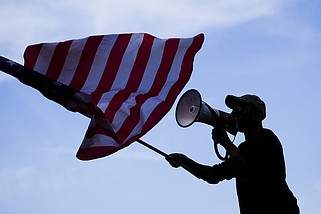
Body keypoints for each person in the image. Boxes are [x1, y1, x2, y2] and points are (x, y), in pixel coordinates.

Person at [166, 94, 300, 214]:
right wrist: (184, 161)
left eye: (240, 109)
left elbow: (250, 172)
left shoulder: (266, 137)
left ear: (256, 114)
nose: (234, 113)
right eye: (234, 110)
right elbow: (212, 175)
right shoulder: (242, 149)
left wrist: (225, 142)